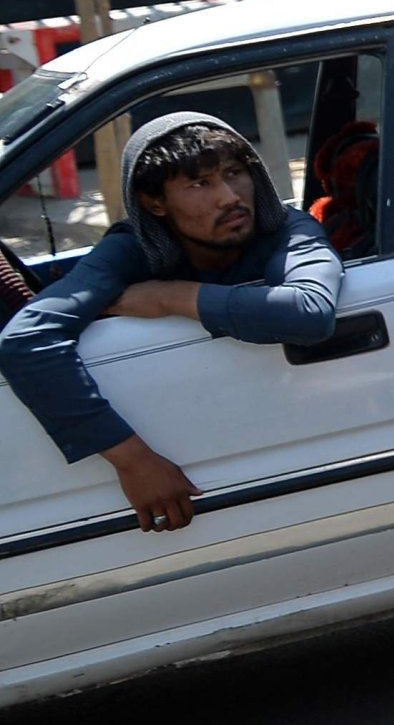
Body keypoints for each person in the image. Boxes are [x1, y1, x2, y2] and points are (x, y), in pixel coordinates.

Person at [1, 113, 340, 529]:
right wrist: (134, 461)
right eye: (200, 184)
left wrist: (170, 297)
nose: (229, 197)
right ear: (154, 203)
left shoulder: (288, 229)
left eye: (235, 173)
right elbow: (27, 338)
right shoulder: (131, 251)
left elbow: (309, 311)